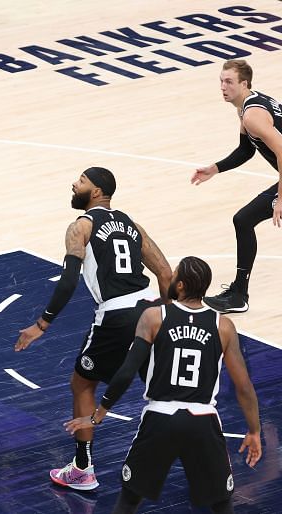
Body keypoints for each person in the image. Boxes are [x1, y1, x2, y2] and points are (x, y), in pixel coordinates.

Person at [14, 167, 172, 490]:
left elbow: (69, 279)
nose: (74, 184)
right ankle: (210, 455)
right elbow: (166, 274)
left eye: (82, 181)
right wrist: (169, 317)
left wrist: (41, 324)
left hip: (115, 315)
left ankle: (83, 469)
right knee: (163, 391)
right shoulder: (133, 226)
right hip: (151, 308)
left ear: (97, 191)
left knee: (82, 384)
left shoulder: (81, 227)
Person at [65, 256, 262, 513]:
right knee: (222, 506)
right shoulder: (223, 326)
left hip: (160, 418)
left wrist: (97, 416)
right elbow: (244, 386)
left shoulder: (154, 316)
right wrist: (254, 431)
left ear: (180, 285)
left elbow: (126, 371)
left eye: (175, 273)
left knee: (128, 501)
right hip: (203, 421)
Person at [191, 59, 282, 314]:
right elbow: (245, 150)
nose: (222, 86)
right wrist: (215, 168)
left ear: (244, 84)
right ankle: (239, 293)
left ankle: (239, 295)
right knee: (243, 220)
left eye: (229, 81)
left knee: (243, 220)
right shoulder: (248, 105)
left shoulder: (252, 114)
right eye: (221, 81)